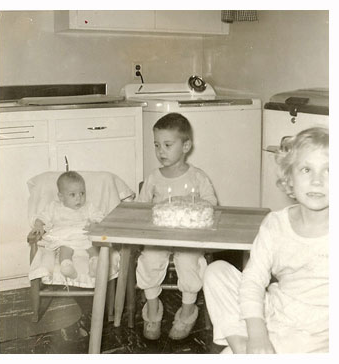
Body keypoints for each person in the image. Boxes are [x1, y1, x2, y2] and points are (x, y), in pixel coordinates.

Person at [203, 127, 329, 353]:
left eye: (329, 170)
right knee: (216, 271)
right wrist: (258, 332)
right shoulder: (275, 224)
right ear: (289, 179)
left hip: (316, 333)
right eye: (306, 169)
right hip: (276, 311)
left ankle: (245, 350)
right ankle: (246, 346)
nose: (317, 181)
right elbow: (253, 281)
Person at [136, 112, 218, 341]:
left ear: (186, 145)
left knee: (188, 261)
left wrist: (192, 207)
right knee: (149, 259)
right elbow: (141, 208)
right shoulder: (153, 178)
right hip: (160, 236)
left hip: (188, 238)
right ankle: (152, 308)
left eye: (168, 144)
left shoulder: (198, 177)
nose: (161, 151)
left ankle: (188, 309)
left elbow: (211, 204)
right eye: (156, 145)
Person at [28, 171, 104, 280]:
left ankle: (95, 264)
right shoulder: (54, 207)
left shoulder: (88, 206)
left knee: (93, 247)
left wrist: (95, 224)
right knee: (64, 249)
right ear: (61, 197)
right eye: (73, 194)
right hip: (64, 237)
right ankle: (67, 266)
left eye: (82, 193)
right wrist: (39, 225)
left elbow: (99, 216)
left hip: (83, 234)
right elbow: (42, 216)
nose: (79, 198)